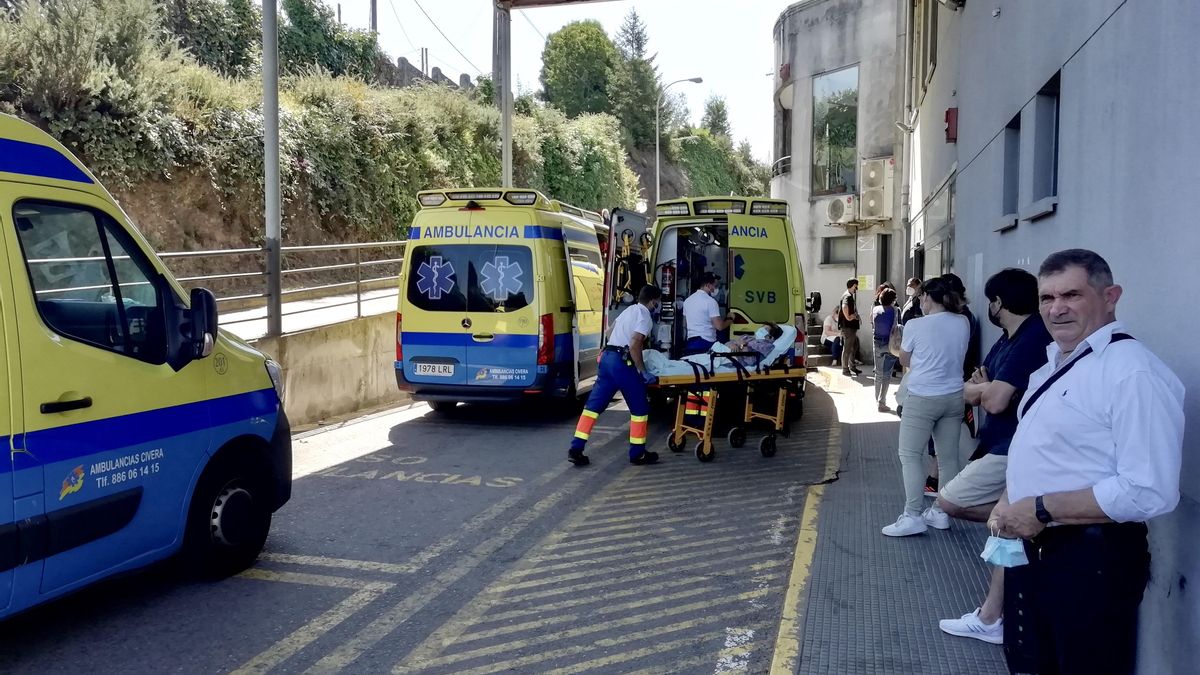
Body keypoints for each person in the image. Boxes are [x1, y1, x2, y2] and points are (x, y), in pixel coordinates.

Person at [989, 249, 1184, 674]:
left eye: (1072, 295)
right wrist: (1009, 498)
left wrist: (1040, 508)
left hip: (1090, 562)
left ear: (1110, 296)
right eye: (1047, 298)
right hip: (1035, 552)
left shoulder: (1131, 373)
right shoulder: (1054, 365)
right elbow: (1045, 447)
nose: (1056, 309)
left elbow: (1149, 489)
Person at [935, 268, 1051, 645]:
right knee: (1008, 528)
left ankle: (1047, 524)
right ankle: (991, 617)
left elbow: (994, 398)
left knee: (951, 500)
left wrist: (985, 389)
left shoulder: (1033, 338)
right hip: (1006, 445)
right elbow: (974, 386)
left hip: (1015, 449)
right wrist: (983, 388)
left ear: (999, 302)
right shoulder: (1008, 339)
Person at [881, 276, 970, 537]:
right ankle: (941, 512)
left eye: (921, 296)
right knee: (948, 458)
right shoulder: (963, 321)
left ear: (929, 297)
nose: (919, 300)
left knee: (910, 455)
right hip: (954, 396)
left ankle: (912, 515)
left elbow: (904, 358)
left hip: (922, 397)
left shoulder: (916, 325)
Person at [568, 285, 664, 467]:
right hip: (622, 362)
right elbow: (635, 343)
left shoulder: (629, 310)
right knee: (640, 409)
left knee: (592, 407)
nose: (658, 305)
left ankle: (576, 449)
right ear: (653, 301)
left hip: (608, 359)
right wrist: (642, 371)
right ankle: (638, 454)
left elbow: (609, 332)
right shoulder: (645, 316)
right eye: (658, 302)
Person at [682, 272, 732, 356]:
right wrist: (730, 319)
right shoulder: (711, 302)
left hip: (691, 344)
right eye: (715, 286)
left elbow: (685, 324)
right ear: (708, 285)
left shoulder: (687, 301)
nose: (716, 289)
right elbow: (719, 327)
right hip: (706, 344)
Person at [870, 287, 900, 412]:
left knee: (878, 373)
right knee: (887, 374)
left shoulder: (875, 309)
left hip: (877, 341)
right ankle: (882, 402)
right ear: (893, 300)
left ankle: (877, 400)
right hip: (890, 343)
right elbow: (897, 326)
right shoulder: (895, 310)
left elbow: (872, 323)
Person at [838, 278, 863, 376]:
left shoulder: (848, 295)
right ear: (853, 285)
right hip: (848, 327)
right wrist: (849, 317)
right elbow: (844, 307)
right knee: (848, 348)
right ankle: (845, 369)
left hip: (850, 327)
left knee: (853, 346)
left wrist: (856, 316)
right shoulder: (847, 296)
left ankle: (852, 367)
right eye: (856, 286)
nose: (857, 288)